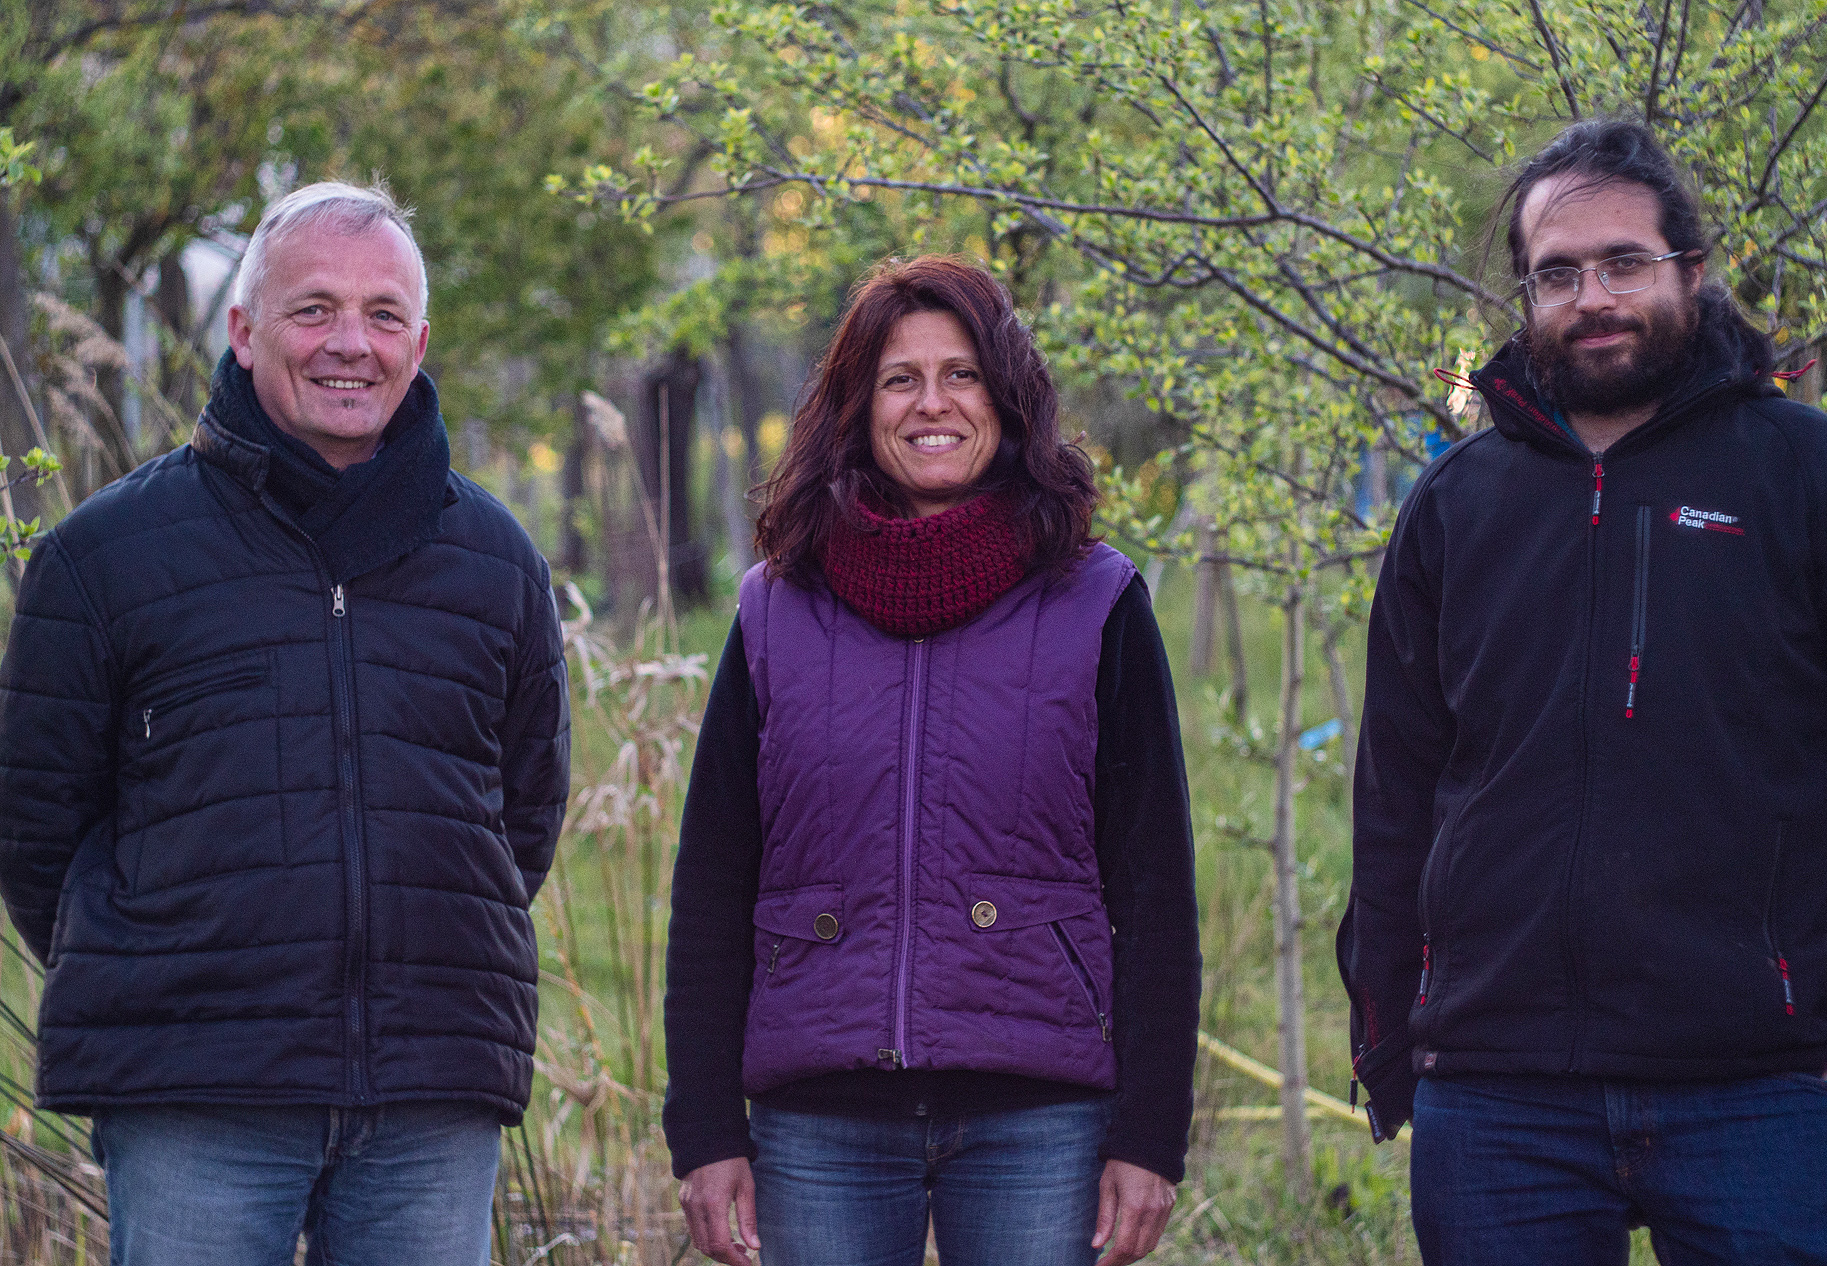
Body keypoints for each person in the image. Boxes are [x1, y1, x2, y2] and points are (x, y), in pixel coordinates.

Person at [1339, 118, 1827, 1264]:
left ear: (1691, 274)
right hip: (1500, 1097)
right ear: (1525, 294)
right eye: (1558, 274)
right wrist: (1384, 1040)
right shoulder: (1457, 504)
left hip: (1757, 1085)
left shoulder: (1812, 476)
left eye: (1623, 263)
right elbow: (1393, 796)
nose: (1591, 295)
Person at [0, 181, 570, 1264]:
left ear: (420, 339)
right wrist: (167, 966)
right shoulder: (102, 557)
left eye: (383, 314)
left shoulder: (498, 564)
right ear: (244, 329)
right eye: (313, 309)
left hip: (430, 1092)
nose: (349, 343)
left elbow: (521, 815)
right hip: (192, 1093)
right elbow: (37, 834)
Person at [663, 256, 1201, 1266]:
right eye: (899, 378)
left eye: (961, 374)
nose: (932, 404)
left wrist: (1149, 1135)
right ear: (859, 406)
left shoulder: (1096, 602)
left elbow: (1156, 887)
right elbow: (713, 882)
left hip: (1039, 1117)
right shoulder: (776, 609)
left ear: (1007, 397)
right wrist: (703, 1130)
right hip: (818, 1120)